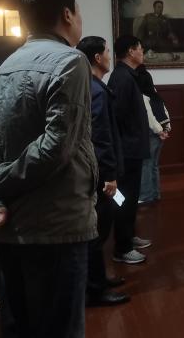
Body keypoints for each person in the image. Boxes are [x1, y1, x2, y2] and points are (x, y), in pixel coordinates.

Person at [0, 0, 98, 338]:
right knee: (60, 327)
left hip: (8, 226)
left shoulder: (5, 65)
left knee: (19, 326)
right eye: (79, 11)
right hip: (56, 223)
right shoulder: (71, 61)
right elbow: (58, 146)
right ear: (68, 14)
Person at [76, 36, 130, 306]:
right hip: (101, 174)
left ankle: (99, 278)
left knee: (102, 225)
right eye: (107, 51)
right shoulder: (95, 89)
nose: (110, 56)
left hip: (99, 170)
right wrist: (109, 175)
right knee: (97, 230)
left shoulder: (91, 85)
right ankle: (95, 289)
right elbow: (100, 136)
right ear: (97, 58)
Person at [108, 35, 151, 264]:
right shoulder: (122, 78)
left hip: (132, 149)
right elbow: (117, 117)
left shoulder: (129, 75)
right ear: (131, 51)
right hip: (126, 151)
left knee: (131, 198)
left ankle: (129, 236)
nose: (143, 52)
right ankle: (122, 248)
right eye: (140, 48)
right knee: (123, 199)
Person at [135, 66, 170, 204]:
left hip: (152, 132)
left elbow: (149, 117)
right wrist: (166, 129)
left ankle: (145, 196)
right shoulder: (155, 94)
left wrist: (159, 131)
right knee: (154, 165)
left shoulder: (143, 96)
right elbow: (164, 112)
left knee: (146, 164)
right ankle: (156, 193)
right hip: (161, 132)